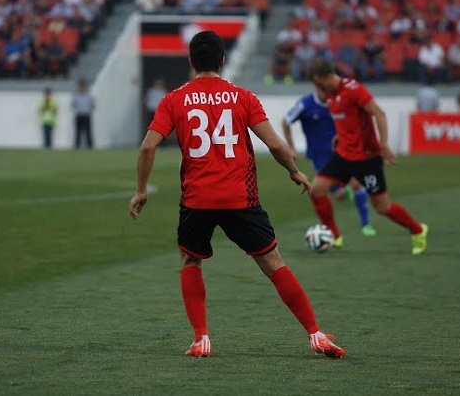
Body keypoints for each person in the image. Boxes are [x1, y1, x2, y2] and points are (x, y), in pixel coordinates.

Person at [129, 31, 346, 359]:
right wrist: (294, 171)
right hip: (240, 199)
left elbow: (148, 146)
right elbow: (274, 144)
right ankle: (315, 334)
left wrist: (141, 190)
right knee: (273, 263)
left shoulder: (174, 99)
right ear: (223, 61)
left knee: (191, 260)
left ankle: (201, 338)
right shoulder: (243, 97)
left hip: (196, 199)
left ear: (190, 61)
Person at [308, 59, 428, 255]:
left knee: (382, 207)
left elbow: (379, 114)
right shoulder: (329, 93)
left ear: (329, 76)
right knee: (316, 190)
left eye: (320, 84)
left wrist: (383, 145)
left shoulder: (354, 90)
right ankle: (334, 235)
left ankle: (418, 230)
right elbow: (348, 118)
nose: (318, 89)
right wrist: (341, 135)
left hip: (366, 158)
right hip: (344, 154)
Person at [282, 89, 376, 241]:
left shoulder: (338, 102)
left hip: (342, 152)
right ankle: (345, 195)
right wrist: (291, 147)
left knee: (357, 183)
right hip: (319, 157)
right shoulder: (305, 104)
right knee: (338, 195)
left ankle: (366, 224)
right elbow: (286, 121)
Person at [72, 79, 95, 149]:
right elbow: (73, 104)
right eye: (81, 86)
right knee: (78, 132)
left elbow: (93, 105)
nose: (82, 88)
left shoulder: (89, 96)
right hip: (79, 115)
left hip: (86, 115)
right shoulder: (76, 96)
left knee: (88, 132)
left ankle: (90, 147)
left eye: (83, 86)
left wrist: (88, 110)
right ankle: (77, 147)